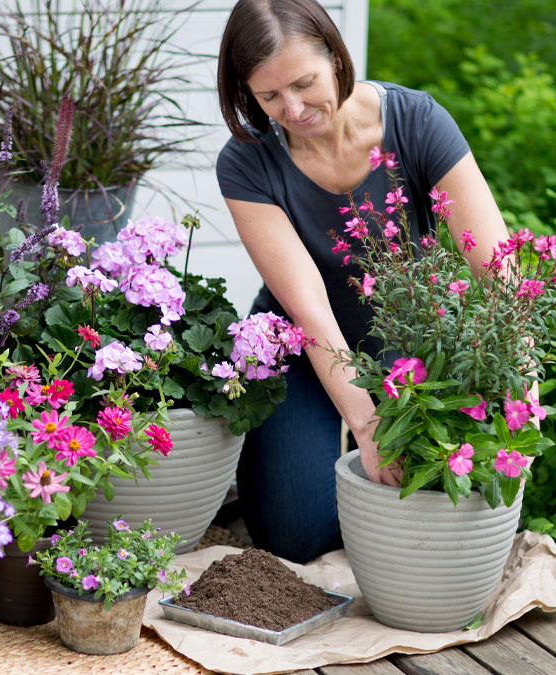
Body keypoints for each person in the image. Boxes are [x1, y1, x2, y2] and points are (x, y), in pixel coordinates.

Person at [216, 0, 511, 563]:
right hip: (307, 348)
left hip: (422, 350)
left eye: (305, 83)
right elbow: (309, 308)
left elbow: (496, 267)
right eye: (270, 96)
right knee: (293, 536)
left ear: (335, 54)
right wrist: (367, 421)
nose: (294, 109)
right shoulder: (246, 161)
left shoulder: (417, 122)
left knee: (444, 513)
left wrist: (515, 370)